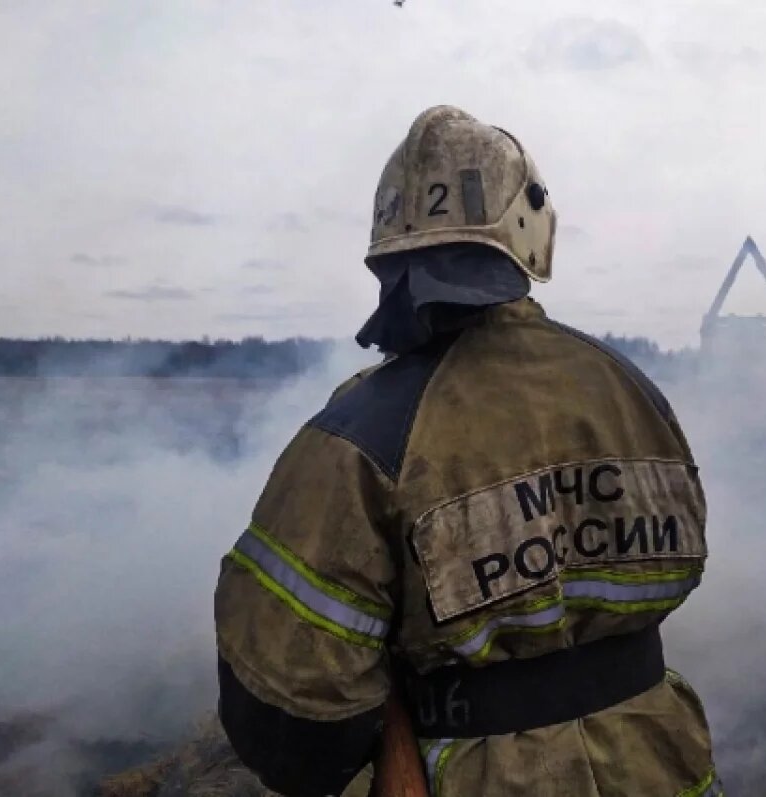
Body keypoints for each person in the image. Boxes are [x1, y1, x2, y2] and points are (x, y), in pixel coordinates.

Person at [213, 105, 723, 797]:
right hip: (660, 753)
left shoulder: (360, 436)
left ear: (388, 250)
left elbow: (291, 712)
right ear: (531, 232)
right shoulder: (631, 391)